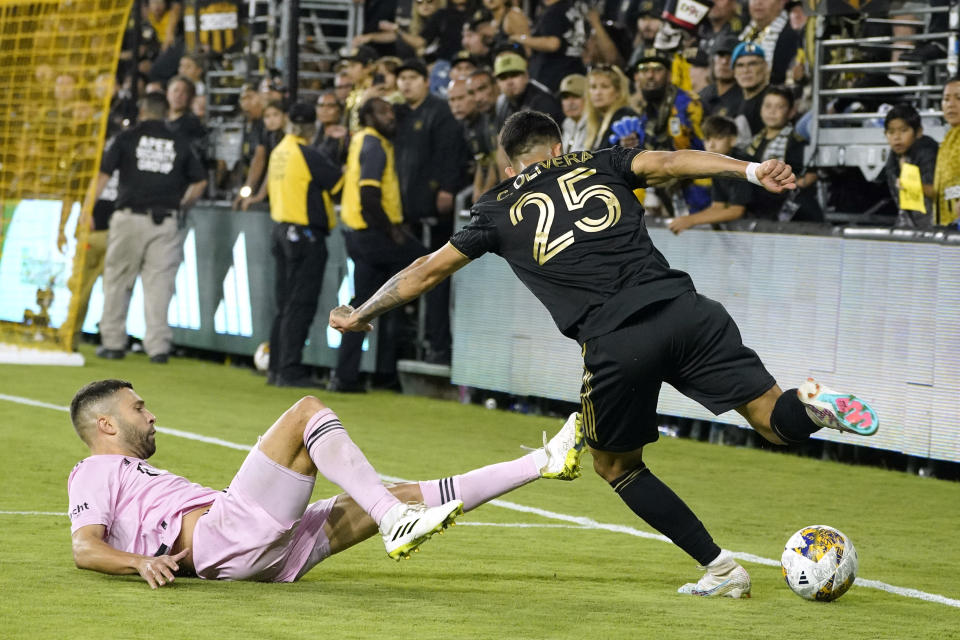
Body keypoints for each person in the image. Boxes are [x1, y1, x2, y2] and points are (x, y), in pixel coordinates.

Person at [329, 109, 880, 597]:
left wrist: (362, 312)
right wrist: (751, 170)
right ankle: (811, 405)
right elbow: (670, 161)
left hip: (617, 341)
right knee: (773, 421)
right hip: (688, 310)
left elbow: (426, 272)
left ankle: (721, 569)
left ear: (508, 165)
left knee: (615, 465)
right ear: (559, 147)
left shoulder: (496, 208)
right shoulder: (599, 162)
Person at [67, 378, 586, 586]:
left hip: (257, 555)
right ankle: (394, 522)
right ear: (106, 424)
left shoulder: (130, 471)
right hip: (222, 538)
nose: (152, 415)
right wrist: (139, 561)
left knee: (402, 493)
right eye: (139, 408)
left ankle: (545, 461)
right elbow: (84, 548)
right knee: (306, 413)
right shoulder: (93, 470)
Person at [92, 92, 207, 363]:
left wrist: (88, 209)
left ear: (142, 111)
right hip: (165, 220)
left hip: (129, 217)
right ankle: (158, 347)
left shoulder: (126, 137)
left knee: (118, 280)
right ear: (166, 112)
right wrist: (183, 203)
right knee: (160, 285)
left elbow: (103, 174)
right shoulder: (180, 141)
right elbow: (200, 181)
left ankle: (113, 342)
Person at [329, 97, 426, 393]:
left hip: (359, 235)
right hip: (374, 235)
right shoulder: (374, 145)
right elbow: (369, 196)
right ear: (368, 116)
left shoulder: (361, 141)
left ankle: (347, 376)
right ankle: (431, 345)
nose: (390, 116)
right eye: (383, 112)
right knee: (430, 265)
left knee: (364, 304)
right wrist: (393, 231)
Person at [394, 58, 466, 365]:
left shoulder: (439, 112)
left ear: (426, 81)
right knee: (407, 279)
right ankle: (409, 344)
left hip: (435, 217)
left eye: (412, 77)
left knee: (435, 279)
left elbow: (451, 154)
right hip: (407, 216)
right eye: (402, 78)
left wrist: (447, 188)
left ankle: (438, 346)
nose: (406, 83)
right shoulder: (399, 115)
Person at [265, 102, 342, 388]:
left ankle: (276, 367)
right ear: (312, 127)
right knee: (300, 304)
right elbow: (337, 183)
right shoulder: (308, 154)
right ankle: (290, 369)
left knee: (284, 304)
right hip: (305, 235)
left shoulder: (279, 151)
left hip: (281, 230)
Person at [742, 86, 820, 222]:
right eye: (767, 106)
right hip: (760, 206)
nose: (772, 111)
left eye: (779, 107)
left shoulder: (795, 141)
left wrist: (790, 186)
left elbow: (812, 175)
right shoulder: (755, 140)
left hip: (785, 206)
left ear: (791, 112)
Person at [668, 115, 752, 233]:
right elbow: (717, 207)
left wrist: (691, 220)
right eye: (707, 139)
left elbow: (736, 210)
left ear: (733, 140)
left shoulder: (740, 165)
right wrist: (687, 219)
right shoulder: (717, 166)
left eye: (718, 138)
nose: (711, 145)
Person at [879, 103, 939, 229]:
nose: (896, 137)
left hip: (937, 226)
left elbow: (940, 191)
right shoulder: (893, 157)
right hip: (910, 223)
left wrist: (913, 186)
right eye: (891, 132)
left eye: (904, 130)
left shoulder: (928, 151)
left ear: (918, 132)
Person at [513, 0, 586, 94]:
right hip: (575, 71)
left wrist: (521, 38)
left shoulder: (553, 12)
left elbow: (553, 44)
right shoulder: (572, 9)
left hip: (554, 78)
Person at [493, 51, 563, 130]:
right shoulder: (501, 102)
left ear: (526, 76)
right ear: (497, 82)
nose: (509, 82)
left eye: (514, 75)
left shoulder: (542, 101)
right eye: (503, 77)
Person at [934, 76, 960, 227]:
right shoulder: (948, 138)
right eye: (946, 99)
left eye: (959, 98)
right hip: (945, 224)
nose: (951, 105)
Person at [698, 34, 743, 119]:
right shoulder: (703, 94)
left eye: (731, 57)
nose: (724, 62)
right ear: (713, 60)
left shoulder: (744, 98)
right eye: (721, 55)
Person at [558, 73, 587, 153]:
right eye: (565, 97)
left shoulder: (594, 125)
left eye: (576, 96)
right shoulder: (568, 124)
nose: (570, 103)